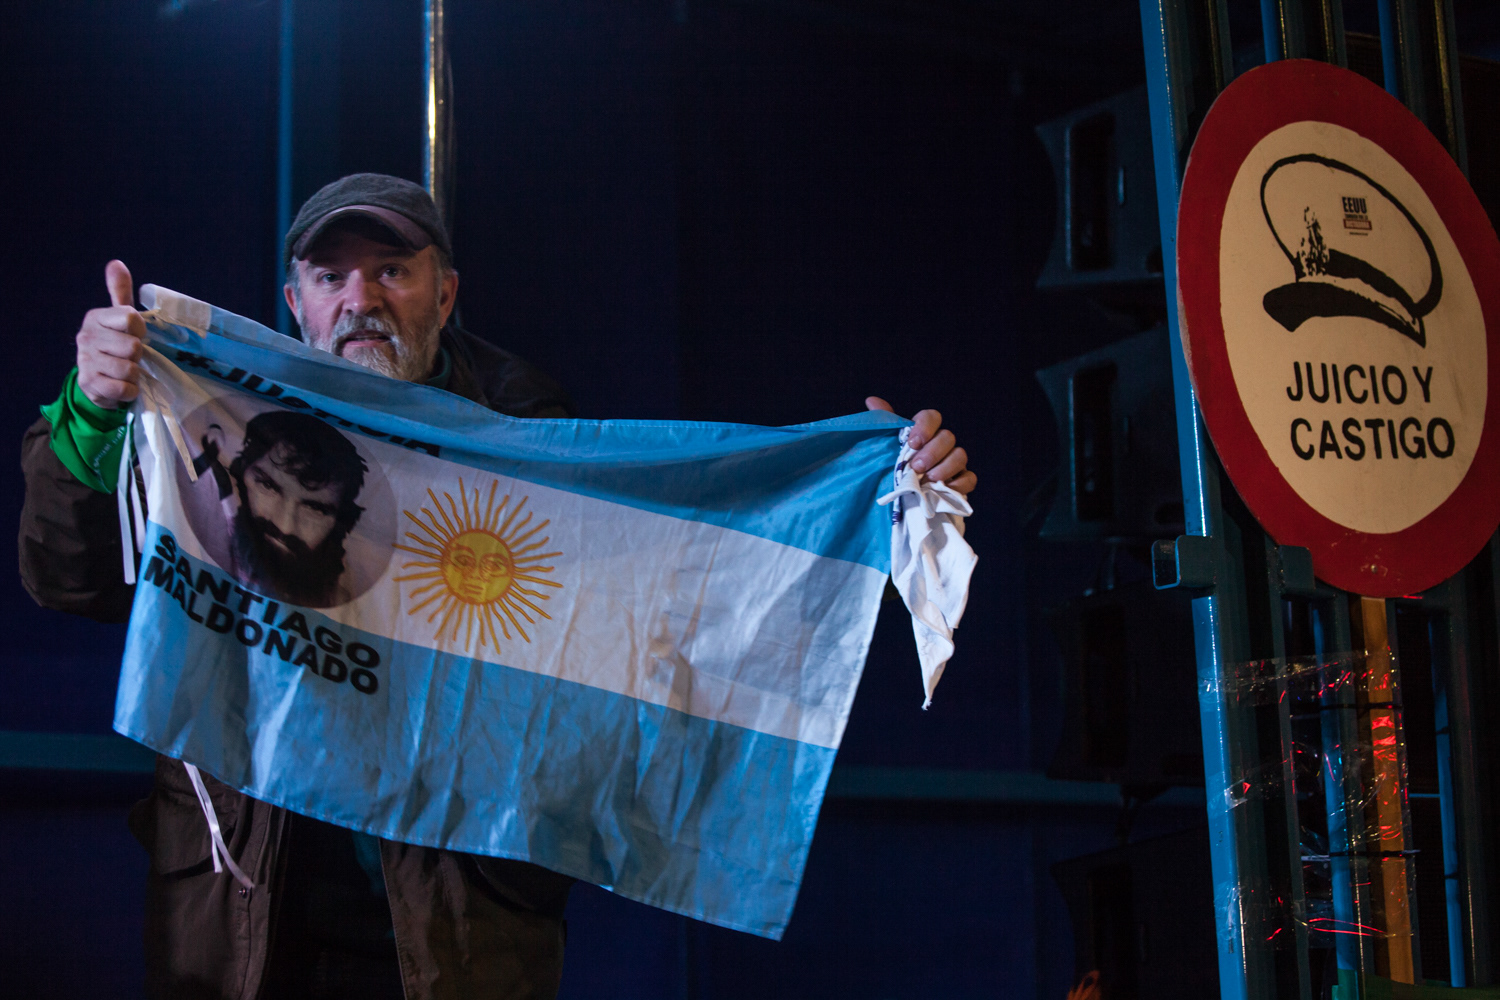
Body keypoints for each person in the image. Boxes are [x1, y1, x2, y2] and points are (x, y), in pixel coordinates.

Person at [19, 173, 976, 999]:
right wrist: (93, 408)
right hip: (242, 935)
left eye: (392, 272)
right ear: (294, 302)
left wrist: (866, 492)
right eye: (330, 276)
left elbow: (696, 604)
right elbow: (68, 579)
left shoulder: (543, 458)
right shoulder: (212, 415)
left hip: (451, 946)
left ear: (445, 295)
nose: (360, 300)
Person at [193, 410, 370, 607]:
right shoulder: (190, 543)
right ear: (240, 473)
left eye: (315, 509)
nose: (285, 527)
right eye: (268, 486)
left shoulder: (350, 613)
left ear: (342, 524)